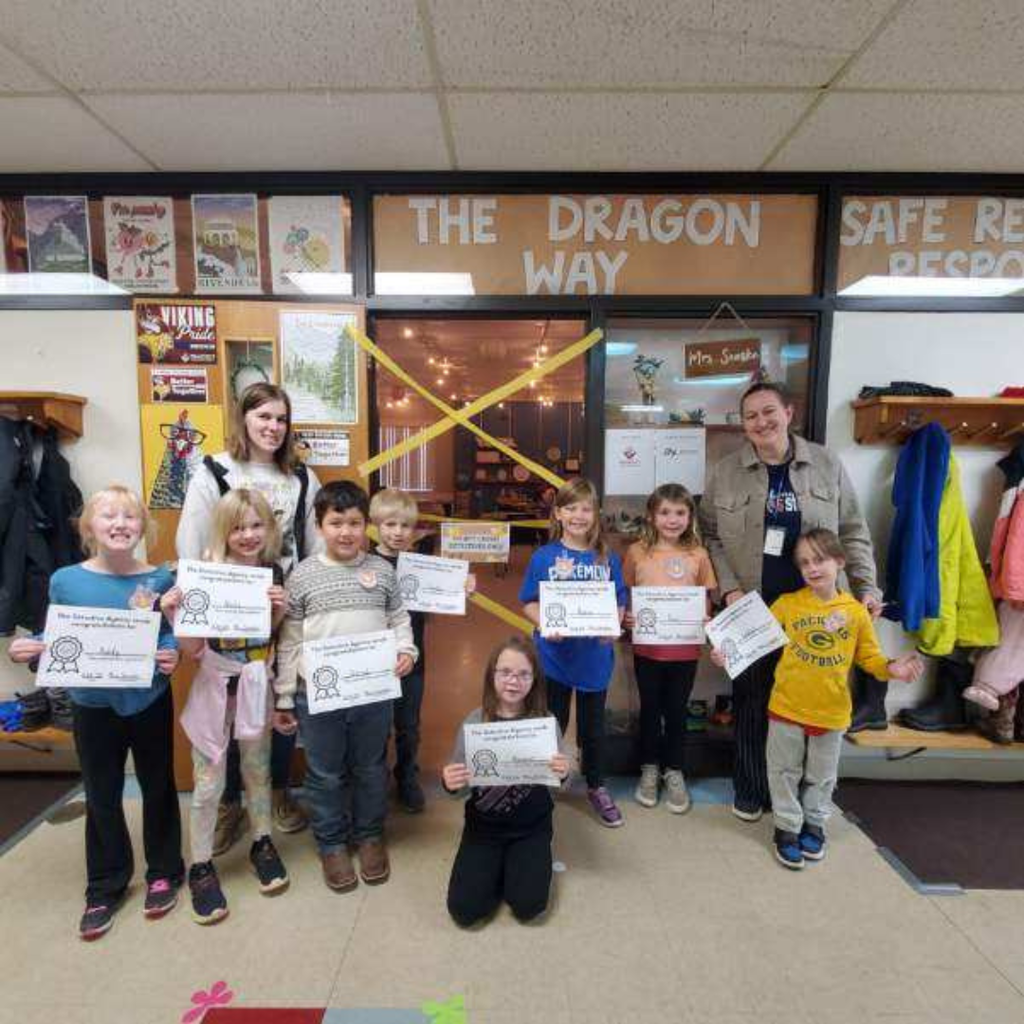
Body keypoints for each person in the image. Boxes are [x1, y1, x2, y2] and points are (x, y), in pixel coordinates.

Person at [699, 381, 882, 822]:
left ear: (789, 411)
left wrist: (866, 586)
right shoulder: (725, 471)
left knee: (809, 699)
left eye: (768, 412)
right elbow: (710, 534)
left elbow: (852, 529)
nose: (761, 423)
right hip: (753, 607)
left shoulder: (824, 463)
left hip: (817, 607)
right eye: (751, 416)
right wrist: (729, 589)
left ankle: (803, 792)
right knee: (751, 699)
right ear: (742, 425)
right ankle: (750, 786)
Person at [9, 486, 183, 940]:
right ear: (90, 527)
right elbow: (61, 639)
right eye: (109, 516)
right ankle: (105, 885)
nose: (120, 524)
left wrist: (171, 655)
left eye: (129, 516)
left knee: (158, 784)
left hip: (148, 698)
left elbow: (165, 635)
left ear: (143, 526)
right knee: (102, 794)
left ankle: (164, 869)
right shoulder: (66, 580)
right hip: (93, 704)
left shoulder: (161, 579)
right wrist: (32, 650)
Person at [711, 529, 921, 869]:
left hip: (832, 713)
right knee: (782, 772)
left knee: (822, 776)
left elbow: (870, 659)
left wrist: (892, 668)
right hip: (786, 708)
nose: (812, 568)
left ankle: (814, 825)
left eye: (819, 559)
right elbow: (752, 642)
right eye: (804, 562)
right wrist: (727, 654)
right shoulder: (788, 605)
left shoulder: (855, 613)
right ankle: (786, 829)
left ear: (839, 561)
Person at [176, 382, 320, 850]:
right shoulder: (215, 469)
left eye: (281, 419)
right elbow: (192, 540)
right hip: (227, 610)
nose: (273, 428)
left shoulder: (301, 477)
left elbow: (314, 545)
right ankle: (228, 804)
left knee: (280, 699)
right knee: (229, 705)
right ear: (244, 420)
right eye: (264, 418)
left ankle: (276, 792)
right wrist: (202, 609)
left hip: (283, 605)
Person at [273, 481, 417, 891]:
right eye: (336, 522)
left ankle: (370, 834)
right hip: (317, 697)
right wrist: (284, 694)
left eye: (355, 522)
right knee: (325, 773)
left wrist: (407, 651)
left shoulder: (383, 571)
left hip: (373, 695)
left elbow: (399, 620)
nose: (346, 532)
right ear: (320, 525)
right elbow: (291, 640)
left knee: (371, 767)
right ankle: (332, 843)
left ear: (365, 526)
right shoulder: (302, 577)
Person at [160, 489, 289, 925]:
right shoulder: (207, 574)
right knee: (208, 780)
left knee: (258, 771)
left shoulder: (272, 573)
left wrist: (276, 613)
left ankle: (262, 842)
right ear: (223, 531)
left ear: (269, 528)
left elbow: (267, 640)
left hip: (257, 684)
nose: (248, 535)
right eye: (238, 527)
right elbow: (194, 649)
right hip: (215, 685)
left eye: (256, 525)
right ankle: (200, 864)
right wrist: (178, 616)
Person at [520, 478, 627, 827]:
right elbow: (529, 602)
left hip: (594, 659)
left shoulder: (606, 557)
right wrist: (543, 623)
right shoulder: (544, 556)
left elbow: (619, 601)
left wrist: (614, 626)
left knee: (593, 730)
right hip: (554, 659)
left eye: (586, 508)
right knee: (552, 722)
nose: (579, 515)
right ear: (558, 513)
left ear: (595, 514)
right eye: (571, 508)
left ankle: (596, 785)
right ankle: (545, 780)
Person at [443, 635, 571, 927]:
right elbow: (459, 787)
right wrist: (449, 781)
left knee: (528, 907)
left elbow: (561, 783)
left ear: (534, 680)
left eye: (524, 674)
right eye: (506, 673)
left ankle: (516, 864)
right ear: (492, 676)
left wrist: (563, 773)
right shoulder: (475, 722)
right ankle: (497, 866)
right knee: (464, 911)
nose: (513, 682)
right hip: (484, 828)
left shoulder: (545, 722)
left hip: (531, 827)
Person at [623, 483, 716, 813]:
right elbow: (626, 596)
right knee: (650, 709)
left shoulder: (699, 555)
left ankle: (674, 770)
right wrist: (627, 617)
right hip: (647, 649)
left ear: (690, 516)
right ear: (652, 515)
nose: (672, 519)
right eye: (664, 512)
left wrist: (705, 619)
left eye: (680, 512)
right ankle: (649, 768)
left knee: (676, 711)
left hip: (684, 651)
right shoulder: (637, 552)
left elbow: (705, 599)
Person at [369, 488, 428, 813]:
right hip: (374, 661)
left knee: (409, 725)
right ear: (376, 523)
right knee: (376, 726)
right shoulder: (363, 562)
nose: (397, 532)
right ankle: (374, 779)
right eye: (390, 524)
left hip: (413, 659)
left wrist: (461, 588)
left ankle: (407, 776)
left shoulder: (421, 565)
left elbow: (442, 597)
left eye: (405, 526)